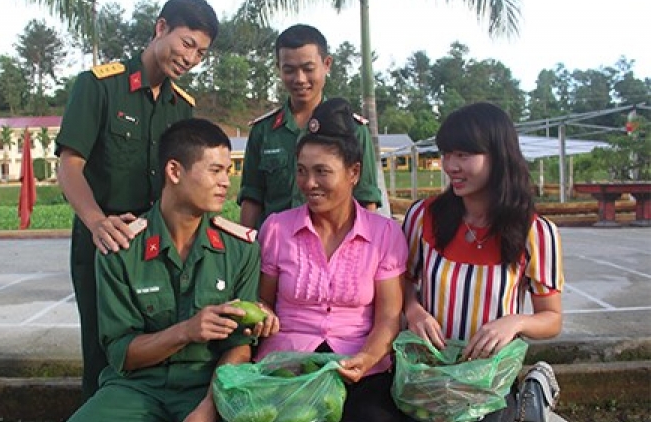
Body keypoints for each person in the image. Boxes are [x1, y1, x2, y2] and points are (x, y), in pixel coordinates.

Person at [54, 0, 218, 399]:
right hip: (104, 240)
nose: (191, 58)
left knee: (155, 345)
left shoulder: (184, 107)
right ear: (161, 27)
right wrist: (96, 222)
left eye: (201, 53)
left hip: (156, 245)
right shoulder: (99, 86)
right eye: (187, 44)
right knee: (101, 348)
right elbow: (69, 164)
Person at [67, 118, 261, 422]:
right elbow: (122, 353)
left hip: (210, 385)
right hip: (137, 388)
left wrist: (208, 407)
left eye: (228, 171)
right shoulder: (122, 248)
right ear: (174, 171)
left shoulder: (240, 250)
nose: (226, 182)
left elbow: (239, 347)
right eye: (215, 171)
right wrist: (186, 331)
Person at [401, 102, 564, 421]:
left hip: (490, 380)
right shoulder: (424, 217)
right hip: (428, 373)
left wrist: (516, 321)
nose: (450, 166)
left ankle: (531, 396)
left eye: (463, 155)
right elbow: (403, 281)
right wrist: (412, 309)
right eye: (447, 154)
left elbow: (552, 318)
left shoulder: (536, 232)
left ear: (499, 156)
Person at [255, 98, 410, 422]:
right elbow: (262, 302)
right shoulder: (276, 229)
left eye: (322, 172)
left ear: (354, 172)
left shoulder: (384, 234)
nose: (309, 183)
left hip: (358, 368)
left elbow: (388, 317)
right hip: (287, 368)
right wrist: (261, 317)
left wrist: (366, 359)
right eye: (301, 171)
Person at [238, 24, 381, 230]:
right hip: (275, 249)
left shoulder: (353, 129)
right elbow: (252, 197)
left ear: (327, 64)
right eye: (289, 70)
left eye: (308, 68)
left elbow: (366, 198)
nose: (300, 79)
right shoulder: (264, 130)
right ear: (278, 68)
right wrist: (246, 250)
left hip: (332, 250)